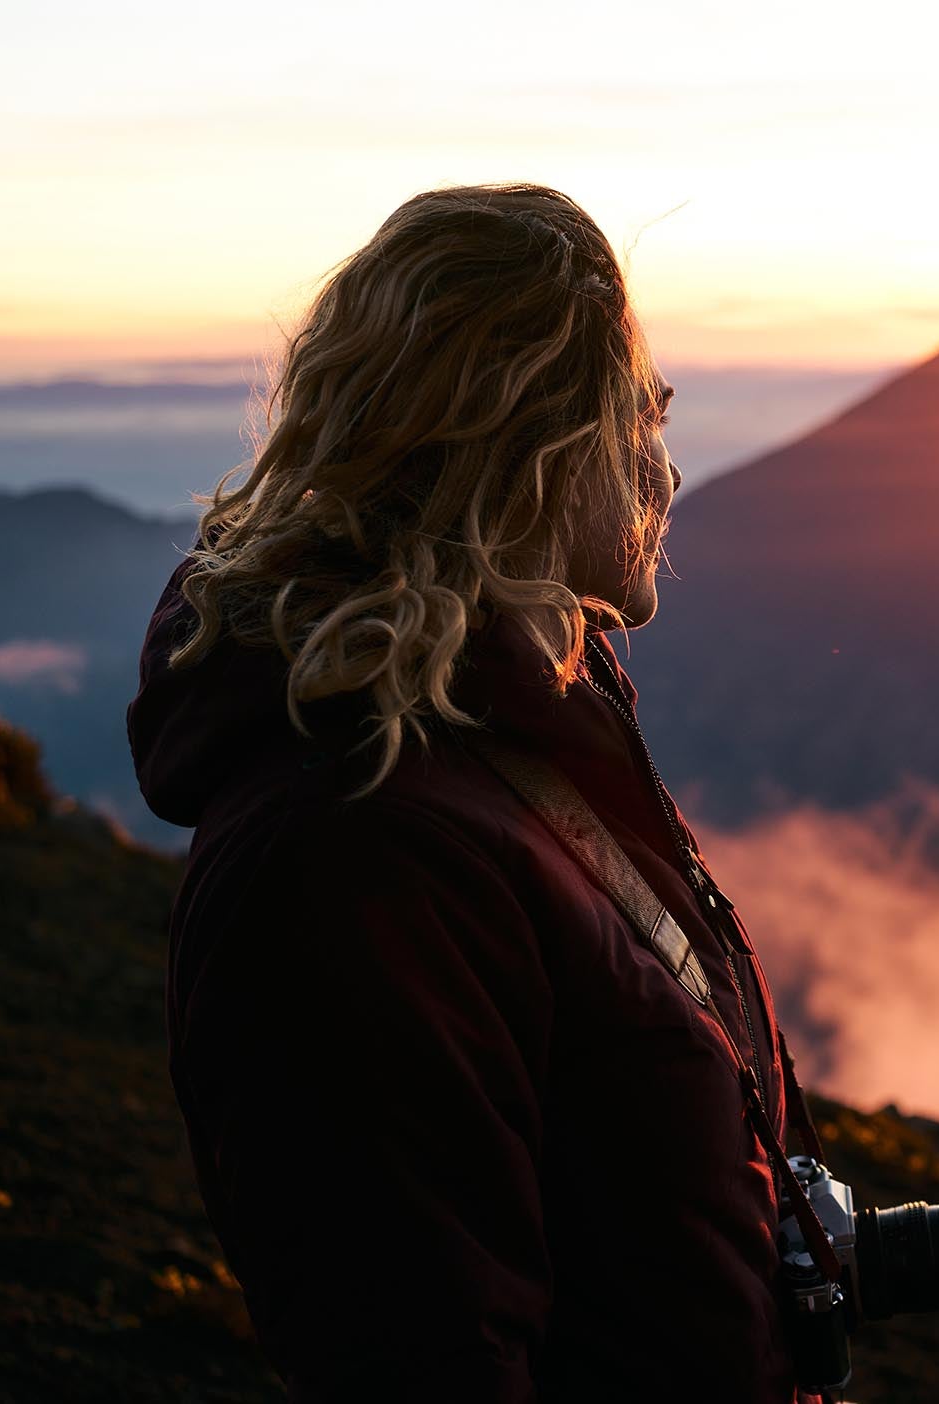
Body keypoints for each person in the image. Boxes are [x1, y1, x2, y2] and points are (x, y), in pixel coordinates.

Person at [126, 183, 818, 1402]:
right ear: (533, 442)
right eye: (639, 406)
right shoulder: (356, 853)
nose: (664, 453)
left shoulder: (521, 739)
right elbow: (417, 1351)